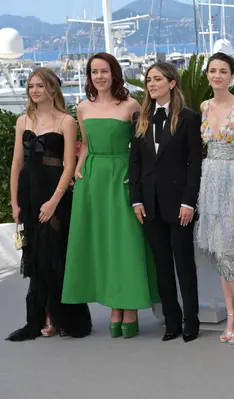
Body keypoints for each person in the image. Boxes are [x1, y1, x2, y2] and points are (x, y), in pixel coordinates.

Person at [62, 53, 160, 339]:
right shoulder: (82, 107)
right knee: (102, 243)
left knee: (125, 242)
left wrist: (137, 174)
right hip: (92, 180)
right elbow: (85, 145)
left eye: (104, 71)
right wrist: (78, 171)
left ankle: (129, 307)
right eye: (94, 72)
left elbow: (142, 146)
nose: (99, 77)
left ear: (114, 74)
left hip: (122, 175)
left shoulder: (131, 105)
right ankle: (114, 307)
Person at [6, 68, 92, 341]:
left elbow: (69, 166)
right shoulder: (23, 120)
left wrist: (54, 201)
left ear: (52, 89)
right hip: (29, 194)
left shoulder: (66, 121)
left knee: (55, 257)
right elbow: (17, 164)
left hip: (55, 194)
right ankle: (41, 315)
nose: (34, 91)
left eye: (40, 86)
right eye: (31, 86)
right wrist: (14, 202)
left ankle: (60, 317)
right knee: (35, 256)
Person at [129, 62, 202, 342]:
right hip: (149, 203)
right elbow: (134, 163)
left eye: (157, 79)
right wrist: (135, 199)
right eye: (148, 80)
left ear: (172, 83)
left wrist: (189, 202)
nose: (151, 84)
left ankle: (190, 320)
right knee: (161, 264)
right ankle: (171, 320)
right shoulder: (140, 119)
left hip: (179, 203)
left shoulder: (188, 118)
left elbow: (195, 163)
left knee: (183, 263)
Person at [194, 52, 234, 345]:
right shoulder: (204, 106)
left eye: (223, 71)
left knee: (230, 251)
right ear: (207, 75)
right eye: (212, 71)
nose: (217, 75)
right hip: (211, 181)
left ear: (232, 76)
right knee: (220, 251)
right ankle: (231, 313)